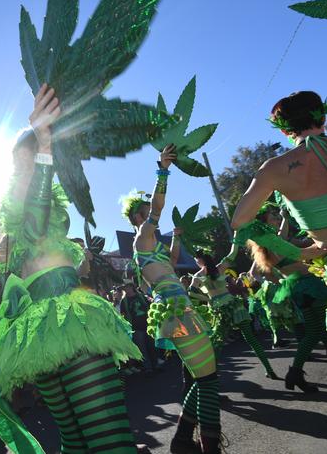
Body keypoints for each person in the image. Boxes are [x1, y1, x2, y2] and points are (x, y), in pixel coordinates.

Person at [0, 84, 142, 453]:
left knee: (75, 440)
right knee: (107, 438)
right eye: (50, 150)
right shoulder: (26, 187)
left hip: (39, 328)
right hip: (64, 317)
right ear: (26, 157)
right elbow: (40, 224)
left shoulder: (16, 199)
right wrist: (43, 145)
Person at [124, 143, 221, 454]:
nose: (151, 215)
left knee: (200, 377)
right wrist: (162, 171)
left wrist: (177, 237)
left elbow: (174, 258)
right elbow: (157, 207)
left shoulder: (151, 244)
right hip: (175, 309)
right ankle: (209, 445)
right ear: (138, 216)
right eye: (146, 212)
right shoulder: (143, 236)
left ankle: (182, 441)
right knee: (208, 380)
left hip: (178, 308)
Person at [230, 91, 327, 393]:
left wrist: (303, 249)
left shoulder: (275, 168)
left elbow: (240, 222)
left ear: (285, 130)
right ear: (322, 116)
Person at [246, 204, 327, 392]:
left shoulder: (269, 244)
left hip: (301, 288)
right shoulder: (273, 245)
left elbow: (285, 235)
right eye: (272, 217)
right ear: (264, 225)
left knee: (314, 332)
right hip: (309, 287)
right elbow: (307, 251)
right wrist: (323, 245)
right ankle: (295, 373)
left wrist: (285, 216)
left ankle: (295, 373)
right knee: (316, 331)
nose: (276, 219)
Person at [191, 251, 278, 379]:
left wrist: (207, 298)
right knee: (251, 339)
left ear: (199, 261)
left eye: (195, 260)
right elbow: (232, 253)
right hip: (233, 306)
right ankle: (269, 370)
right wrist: (237, 236)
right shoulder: (219, 268)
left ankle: (210, 382)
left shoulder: (198, 276)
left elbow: (191, 292)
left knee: (217, 346)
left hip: (221, 310)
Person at [120, 284, 160, 373]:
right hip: (136, 328)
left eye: (128, 286)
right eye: (125, 287)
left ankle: (156, 365)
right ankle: (148, 368)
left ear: (131, 287)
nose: (126, 289)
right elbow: (123, 315)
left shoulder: (141, 296)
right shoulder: (124, 301)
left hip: (148, 325)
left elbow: (150, 307)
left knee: (152, 346)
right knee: (142, 349)